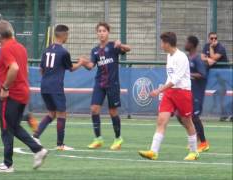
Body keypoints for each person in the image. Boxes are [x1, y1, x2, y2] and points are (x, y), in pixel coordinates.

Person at [0, 20, 48, 173]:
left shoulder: (6, 48)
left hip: (12, 94)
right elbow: (23, 70)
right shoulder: (20, 47)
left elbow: (14, 68)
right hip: (23, 92)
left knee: (6, 127)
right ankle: (38, 150)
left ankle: (7, 165)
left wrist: (5, 87)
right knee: (14, 127)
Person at [138, 32, 199, 161]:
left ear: (167, 43)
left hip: (183, 92)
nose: (161, 45)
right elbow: (170, 78)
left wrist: (159, 90)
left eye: (162, 43)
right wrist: (163, 90)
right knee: (161, 120)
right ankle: (153, 152)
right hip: (170, 93)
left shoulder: (181, 57)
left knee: (187, 122)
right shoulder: (169, 56)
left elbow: (176, 79)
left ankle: (194, 152)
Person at [0, 32, 39, 153]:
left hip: (3, 88)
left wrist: (2, 85)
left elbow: (8, 69)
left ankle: (35, 135)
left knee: (12, 119)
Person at [32, 24, 84, 151]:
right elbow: (71, 69)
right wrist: (81, 62)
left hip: (44, 86)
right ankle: (60, 144)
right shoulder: (64, 52)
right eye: (68, 35)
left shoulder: (47, 50)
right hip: (56, 87)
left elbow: (41, 70)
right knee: (62, 114)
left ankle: (35, 135)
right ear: (64, 35)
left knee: (51, 113)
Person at [81, 22, 131, 150]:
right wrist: (83, 62)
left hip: (112, 83)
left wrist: (121, 45)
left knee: (112, 111)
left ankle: (118, 139)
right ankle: (98, 139)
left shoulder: (113, 46)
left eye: (104, 31)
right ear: (97, 33)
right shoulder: (95, 50)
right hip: (100, 83)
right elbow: (91, 66)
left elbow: (128, 49)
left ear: (108, 32)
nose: (101, 33)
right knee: (94, 109)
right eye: (99, 31)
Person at [184, 35, 209, 153]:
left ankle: (203, 143)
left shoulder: (197, 59)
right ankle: (196, 139)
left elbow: (202, 74)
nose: (185, 44)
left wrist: (189, 75)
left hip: (197, 93)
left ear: (192, 45)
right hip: (190, 92)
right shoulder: (188, 58)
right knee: (187, 117)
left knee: (194, 117)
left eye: (187, 42)